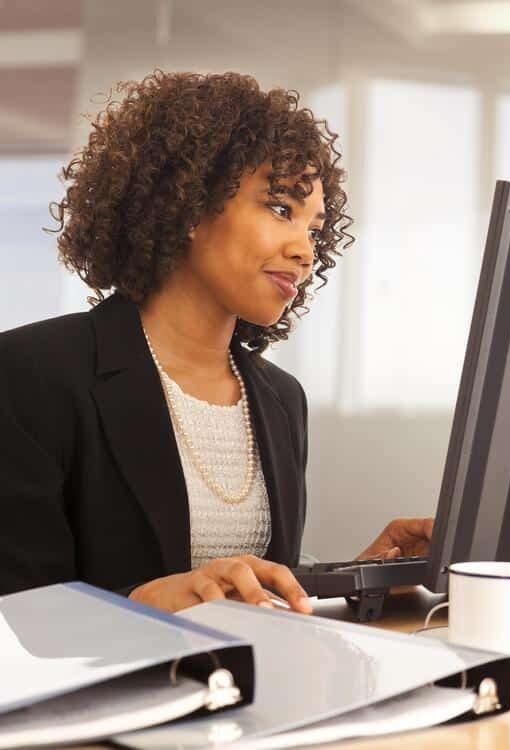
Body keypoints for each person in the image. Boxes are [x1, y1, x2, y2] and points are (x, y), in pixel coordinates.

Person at [0, 70, 432, 613]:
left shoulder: (280, 399)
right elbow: (13, 616)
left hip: (251, 695)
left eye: (316, 230)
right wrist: (141, 607)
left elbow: (256, 597)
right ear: (189, 204)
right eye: (281, 209)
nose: (305, 250)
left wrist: (358, 582)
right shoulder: (30, 375)